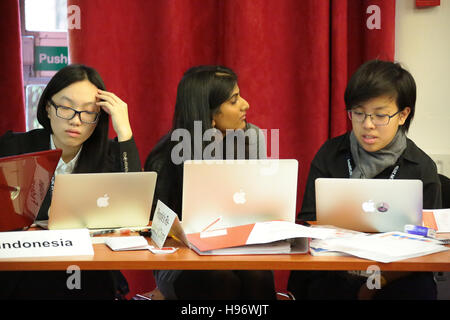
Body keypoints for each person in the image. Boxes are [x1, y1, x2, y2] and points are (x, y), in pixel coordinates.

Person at [288, 59, 442, 300]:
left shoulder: (420, 168)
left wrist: (374, 283)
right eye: (358, 114)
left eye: (380, 116)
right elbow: (308, 223)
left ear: (403, 115)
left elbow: (431, 244)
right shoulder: (331, 154)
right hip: (335, 268)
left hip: (396, 273)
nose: (367, 125)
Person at [0, 64, 141, 299]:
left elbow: (136, 208)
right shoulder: (14, 148)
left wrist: (124, 131)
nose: (76, 120)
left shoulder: (109, 155)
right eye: (66, 107)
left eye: (88, 112)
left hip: (89, 272)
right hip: (25, 274)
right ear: (47, 107)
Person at [144, 65, 275, 300]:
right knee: (221, 278)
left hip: (240, 250)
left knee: (258, 274)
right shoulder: (165, 157)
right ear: (210, 115)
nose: (246, 104)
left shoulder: (251, 139)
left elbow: (260, 202)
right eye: (234, 100)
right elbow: (155, 228)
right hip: (184, 259)